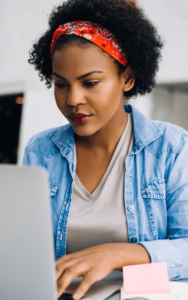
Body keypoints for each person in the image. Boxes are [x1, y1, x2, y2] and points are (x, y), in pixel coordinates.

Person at [23, 0, 188, 299]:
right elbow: (24, 246)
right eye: (61, 84)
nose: (73, 99)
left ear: (127, 78)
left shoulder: (172, 148)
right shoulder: (41, 151)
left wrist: (118, 254)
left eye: (91, 82)